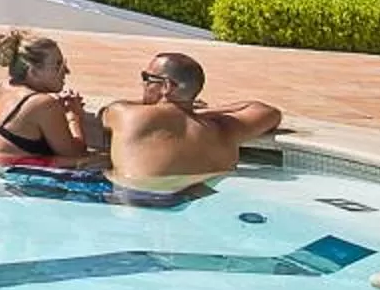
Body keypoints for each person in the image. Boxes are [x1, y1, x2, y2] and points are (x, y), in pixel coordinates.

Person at [97, 52, 284, 202]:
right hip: (198, 201)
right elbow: (268, 112)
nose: (143, 84)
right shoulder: (225, 130)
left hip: (137, 201)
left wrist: (189, 110)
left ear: (166, 86)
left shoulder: (127, 115)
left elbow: (102, 114)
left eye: (147, 77)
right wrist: (195, 110)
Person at [0, 29, 94, 163]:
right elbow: (76, 155)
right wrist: (74, 116)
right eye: (58, 65)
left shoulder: (5, 87)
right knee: (101, 161)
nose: (67, 71)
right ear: (33, 72)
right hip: (19, 181)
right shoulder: (43, 104)